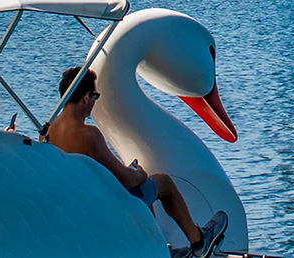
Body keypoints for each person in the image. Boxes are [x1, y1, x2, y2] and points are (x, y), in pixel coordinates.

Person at [48, 67, 227, 258]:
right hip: (106, 206)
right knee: (162, 183)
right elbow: (126, 180)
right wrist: (139, 173)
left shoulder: (50, 131)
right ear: (85, 98)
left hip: (78, 204)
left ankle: (160, 249)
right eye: (95, 96)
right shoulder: (88, 134)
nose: (94, 102)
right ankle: (198, 240)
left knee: (145, 189)